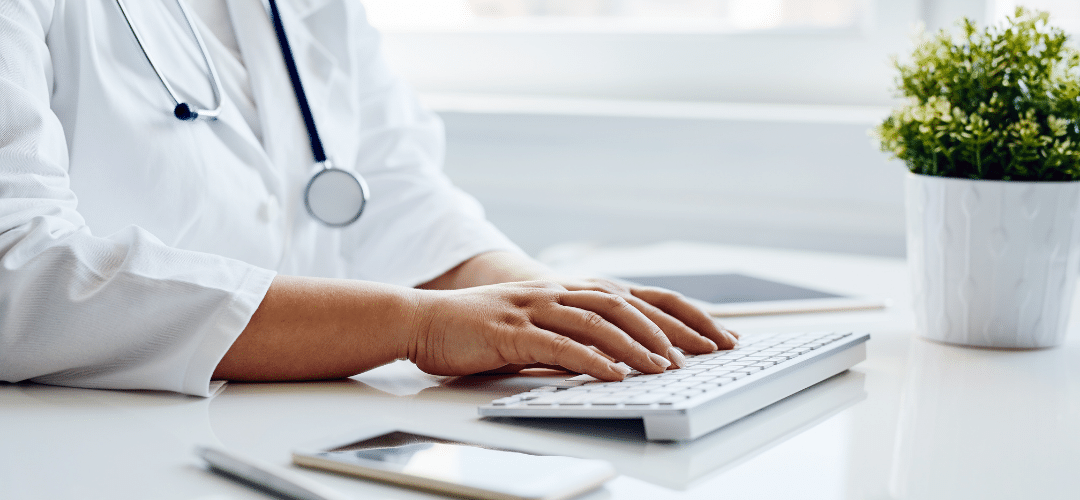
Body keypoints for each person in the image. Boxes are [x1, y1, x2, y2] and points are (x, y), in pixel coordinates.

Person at [0, 0, 738, 397]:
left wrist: (549, 304)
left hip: (288, 430)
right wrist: (416, 325)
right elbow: (20, 271)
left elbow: (392, 192)